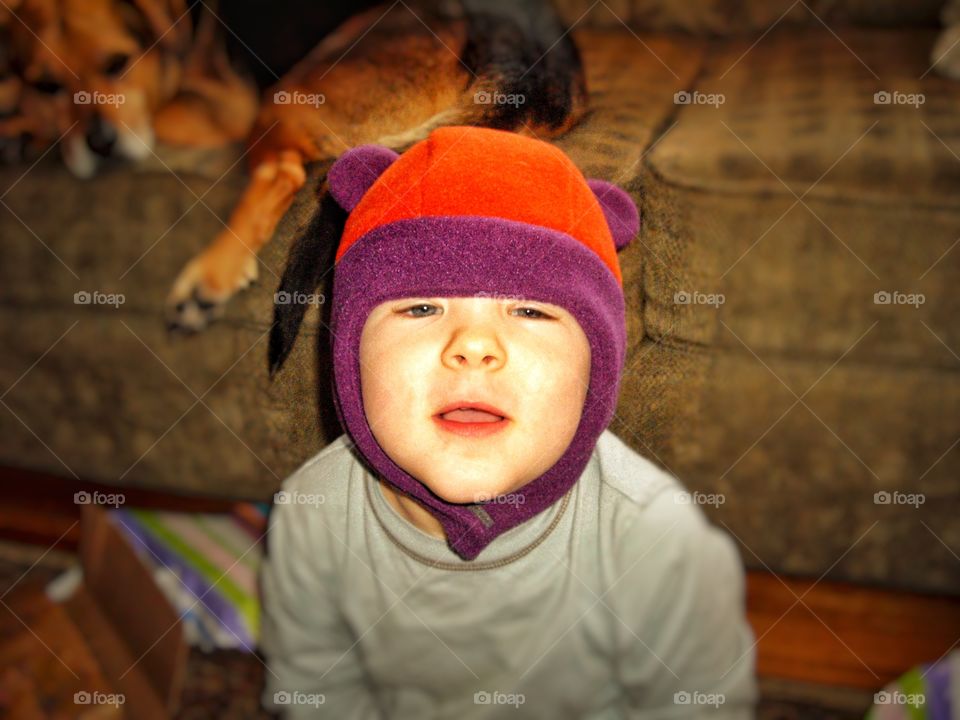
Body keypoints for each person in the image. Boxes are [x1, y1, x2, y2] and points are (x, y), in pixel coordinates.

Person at [259, 125, 759, 718]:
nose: (473, 346)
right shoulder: (312, 512)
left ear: (597, 370)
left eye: (529, 310)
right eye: (422, 306)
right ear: (348, 357)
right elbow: (318, 692)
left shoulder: (654, 538)